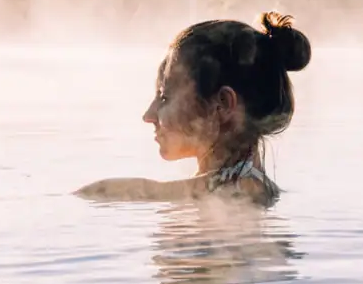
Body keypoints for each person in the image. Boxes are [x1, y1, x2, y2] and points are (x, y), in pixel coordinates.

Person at [76, 12, 311, 203]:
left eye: (165, 97)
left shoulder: (223, 196)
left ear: (223, 104)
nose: (148, 116)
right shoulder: (260, 193)